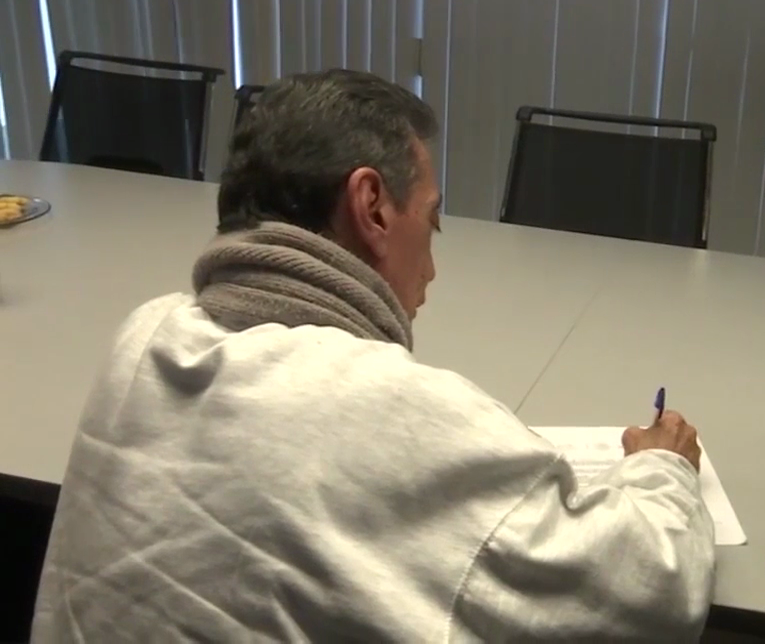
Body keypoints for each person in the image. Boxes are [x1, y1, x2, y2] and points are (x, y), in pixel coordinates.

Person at [31, 69, 715, 642]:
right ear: (373, 208)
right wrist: (662, 467)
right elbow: (651, 592)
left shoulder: (145, 336)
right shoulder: (395, 411)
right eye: (432, 221)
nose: (433, 271)